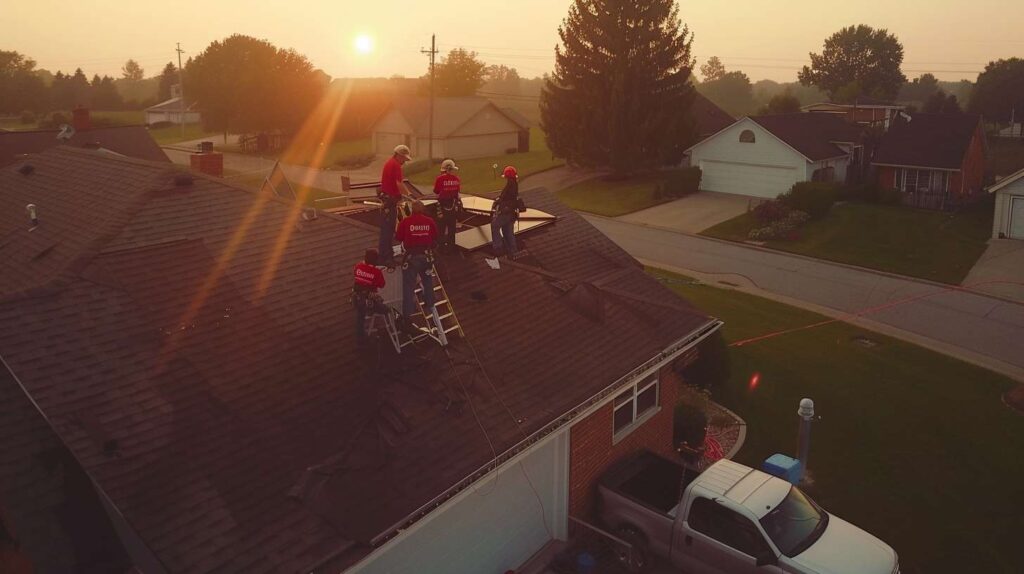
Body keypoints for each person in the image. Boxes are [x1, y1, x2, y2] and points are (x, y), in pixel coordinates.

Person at [395, 201, 439, 324]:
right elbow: (436, 236)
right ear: (423, 210)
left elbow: (398, 237)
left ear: (412, 210)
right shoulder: (429, 221)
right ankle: (430, 303)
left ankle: (407, 314)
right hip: (426, 257)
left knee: (408, 286)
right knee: (427, 280)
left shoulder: (406, 222)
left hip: (412, 257)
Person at [378, 144, 413, 264]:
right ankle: (385, 257)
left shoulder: (390, 163)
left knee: (387, 229)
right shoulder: (395, 165)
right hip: (390, 201)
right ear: (399, 155)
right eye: (404, 158)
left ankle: (386, 254)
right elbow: (399, 183)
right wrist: (409, 195)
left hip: (387, 199)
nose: (404, 161)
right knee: (388, 230)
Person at [352, 248, 388, 345]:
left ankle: (360, 339)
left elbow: (357, 277)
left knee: (360, 317)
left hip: (358, 299)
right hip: (370, 302)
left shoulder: (358, 266)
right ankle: (387, 332)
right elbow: (382, 285)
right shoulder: (376, 272)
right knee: (387, 310)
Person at [491, 165, 522, 258]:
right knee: (508, 231)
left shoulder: (510, 185)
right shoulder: (514, 184)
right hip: (512, 213)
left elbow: (506, 198)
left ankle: (498, 248)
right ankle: (513, 251)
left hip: (506, 212)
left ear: (507, 176)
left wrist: (498, 201)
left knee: (495, 226)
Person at [433, 158, 461, 253]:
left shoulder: (439, 179)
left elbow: (436, 191)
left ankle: (440, 247)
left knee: (441, 227)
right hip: (453, 206)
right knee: (452, 227)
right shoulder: (457, 179)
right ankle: (451, 246)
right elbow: (457, 192)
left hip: (442, 205)